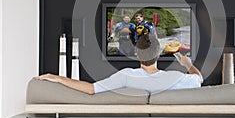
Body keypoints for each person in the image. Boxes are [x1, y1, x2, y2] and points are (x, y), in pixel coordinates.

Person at [36, 34, 203, 94]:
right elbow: (199, 79)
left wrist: (56, 77)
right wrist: (187, 64)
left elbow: (90, 89)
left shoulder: (125, 76)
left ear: (137, 54)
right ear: (159, 54)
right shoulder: (175, 78)